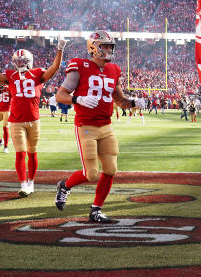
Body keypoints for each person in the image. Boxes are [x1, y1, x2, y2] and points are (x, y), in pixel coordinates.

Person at [53, 30, 144, 222]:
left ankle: (96, 210)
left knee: (111, 169)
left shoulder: (114, 69)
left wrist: (134, 103)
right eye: (105, 46)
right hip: (86, 126)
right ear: (93, 47)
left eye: (110, 46)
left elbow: (120, 101)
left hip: (106, 126)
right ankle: (64, 186)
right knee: (91, 173)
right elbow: (60, 95)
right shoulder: (80, 65)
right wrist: (78, 99)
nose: (109, 50)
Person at [0, 39, 67, 196]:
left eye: (23, 61)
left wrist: (60, 49)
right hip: (16, 120)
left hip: (34, 120)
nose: (21, 64)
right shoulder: (10, 75)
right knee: (20, 153)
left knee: (32, 153)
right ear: (14, 62)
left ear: (30, 62)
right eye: (18, 61)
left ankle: (31, 182)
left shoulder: (37, 73)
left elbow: (54, 67)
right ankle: (23, 184)